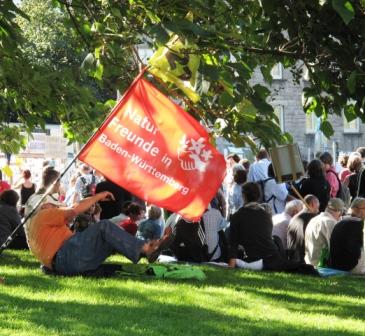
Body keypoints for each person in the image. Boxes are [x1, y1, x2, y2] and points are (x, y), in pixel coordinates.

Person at [25, 191, 172, 275]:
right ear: (44, 205)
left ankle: (144, 249)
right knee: (104, 227)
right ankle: (145, 248)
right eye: (52, 203)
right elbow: (74, 210)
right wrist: (97, 197)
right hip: (68, 257)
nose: (55, 206)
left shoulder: (33, 227)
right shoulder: (43, 215)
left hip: (63, 264)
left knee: (111, 235)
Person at [228, 182, 290, 271]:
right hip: (273, 258)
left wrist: (231, 266)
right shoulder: (266, 215)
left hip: (255, 261)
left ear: (243, 196)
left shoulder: (237, 216)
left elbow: (233, 244)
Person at [328, 197, 365, 274]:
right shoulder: (359, 224)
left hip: (335, 265)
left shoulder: (340, 221)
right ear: (356, 208)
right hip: (352, 267)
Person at [304, 198, 344, 267]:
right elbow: (336, 248)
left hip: (308, 262)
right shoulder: (331, 223)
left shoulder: (313, 219)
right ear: (339, 212)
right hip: (321, 266)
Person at [287, 195, 320, 263]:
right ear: (312, 204)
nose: (318, 210)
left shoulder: (293, 218)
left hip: (292, 257)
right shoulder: (314, 219)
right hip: (304, 259)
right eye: (318, 207)